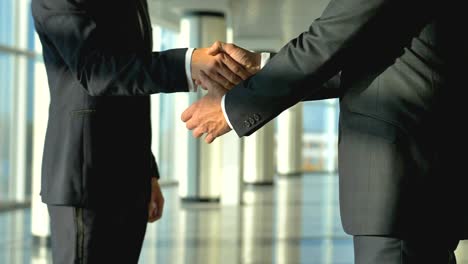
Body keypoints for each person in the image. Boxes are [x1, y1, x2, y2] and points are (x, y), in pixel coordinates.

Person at [181, 0, 468, 262]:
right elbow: (364, 57)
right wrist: (263, 66)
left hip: (402, 185)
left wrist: (232, 107)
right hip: (421, 178)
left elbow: (328, 41)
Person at [30, 0, 251, 263]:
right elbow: (97, 72)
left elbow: (131, 88)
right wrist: (188, 63)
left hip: (130, 178)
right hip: (86, 180)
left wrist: (147, 172)